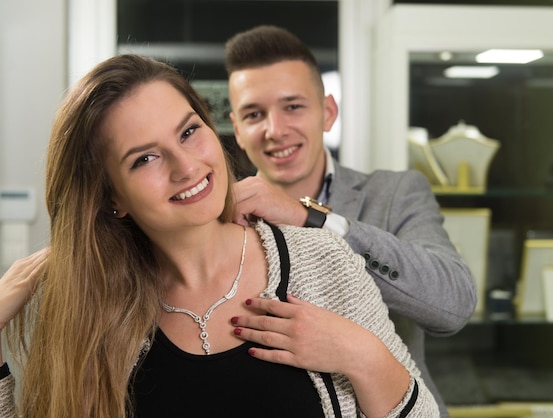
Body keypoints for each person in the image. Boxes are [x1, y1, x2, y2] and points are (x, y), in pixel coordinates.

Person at [0, 54, 439, 417]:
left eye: (189, 132)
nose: (186, 166)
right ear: (112, 196)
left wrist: (360, 354)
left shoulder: (320, 259)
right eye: (145, 158)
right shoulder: (85, 306)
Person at [225, 25, 477, 416]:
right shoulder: (224, 217)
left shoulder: (394, 195)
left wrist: (312, 219)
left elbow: (454, 305)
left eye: (293, 106)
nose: (275, 130)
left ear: (328, 112)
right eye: (255, 114)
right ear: (237, 129)